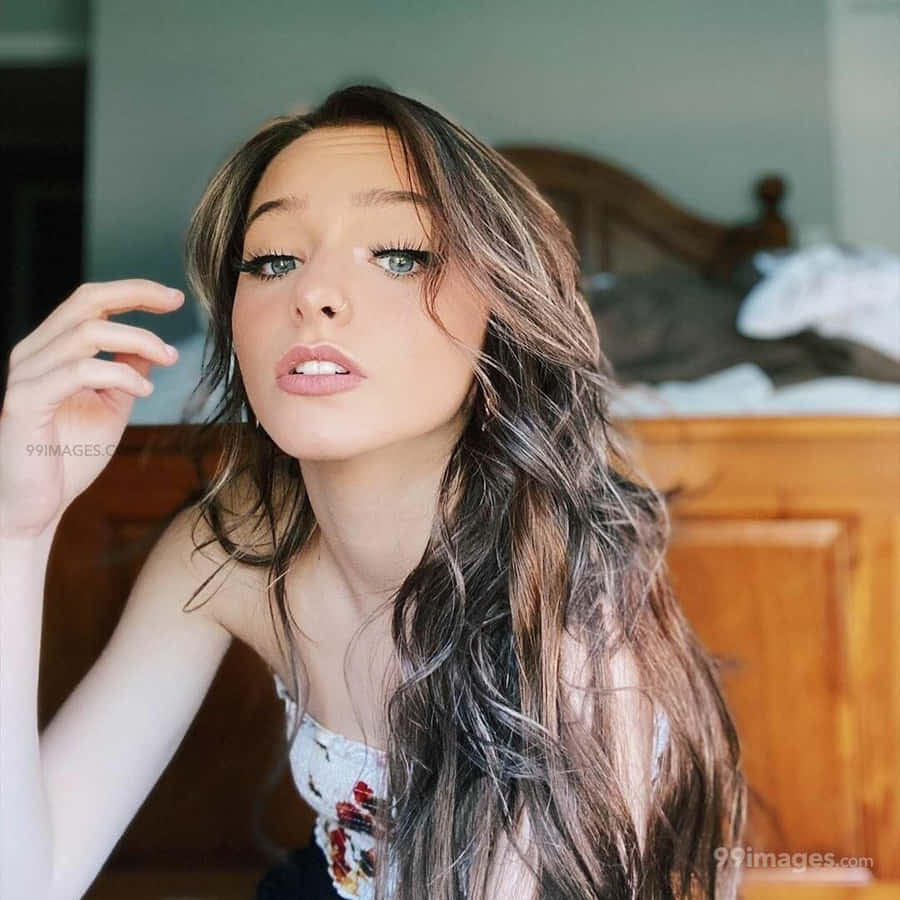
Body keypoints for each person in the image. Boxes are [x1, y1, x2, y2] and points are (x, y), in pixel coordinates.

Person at [0, 83, 745, 900]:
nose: (310, 294)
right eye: (273, 258)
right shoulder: (230, 545)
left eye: (399, 253)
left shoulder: (568, 620)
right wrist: (18, 525)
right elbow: (28, 877)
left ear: (503, 313)